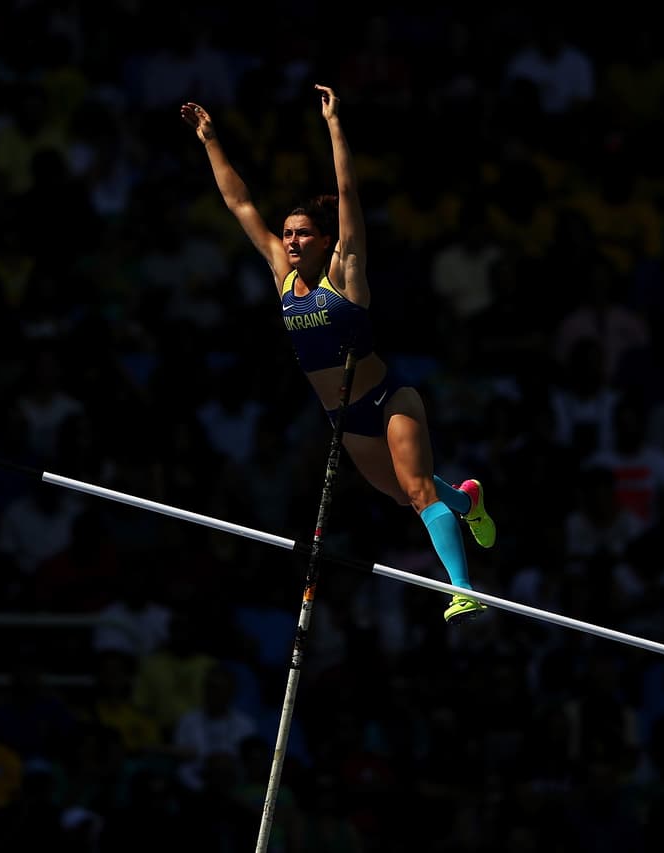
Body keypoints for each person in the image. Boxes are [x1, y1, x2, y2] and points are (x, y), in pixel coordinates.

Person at [180, 85, 493, 624]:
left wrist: (334, 126)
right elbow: (240, 203)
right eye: (288, 234)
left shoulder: (345, 275)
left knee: (417, 491)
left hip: (390, 399)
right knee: (404, 494)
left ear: (326, 241)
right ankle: (467, 502)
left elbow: (348, 192)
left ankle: (463, 588)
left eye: (303, 233)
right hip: (343, 417)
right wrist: (210, 141)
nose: (292, 240)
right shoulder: (282, 276)